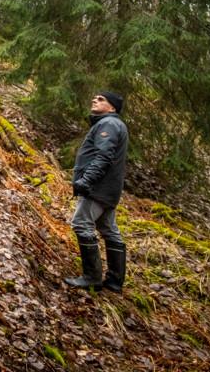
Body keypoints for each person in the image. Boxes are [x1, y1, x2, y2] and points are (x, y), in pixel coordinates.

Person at [63, 91, 128, 293]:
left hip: (98, 188)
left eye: (101, 99)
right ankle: (115, 281)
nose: (94, 100)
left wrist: (86, 181)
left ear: (112, 108)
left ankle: (92, 278)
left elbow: (103, 157)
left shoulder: (108, 124)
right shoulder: (114, 124)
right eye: (95, 98)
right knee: (109, 229)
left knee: (81, 224)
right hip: (109, 189)